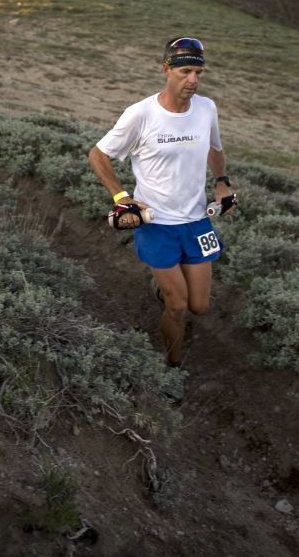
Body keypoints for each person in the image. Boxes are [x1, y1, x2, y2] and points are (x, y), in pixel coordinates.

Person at [88, 36, 235, 386]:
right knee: (178, 307)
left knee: (200, 306)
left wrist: (222, 182)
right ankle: (172, 368)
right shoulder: (141, 114)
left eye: (199, 72)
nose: (193, 80)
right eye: (186, 71)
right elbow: (98, 155)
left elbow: (215, 148)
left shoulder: (206, 108)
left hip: (196, 219)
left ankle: (164, 290)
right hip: (156, 224)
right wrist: (121, 197)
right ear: (166, 69)